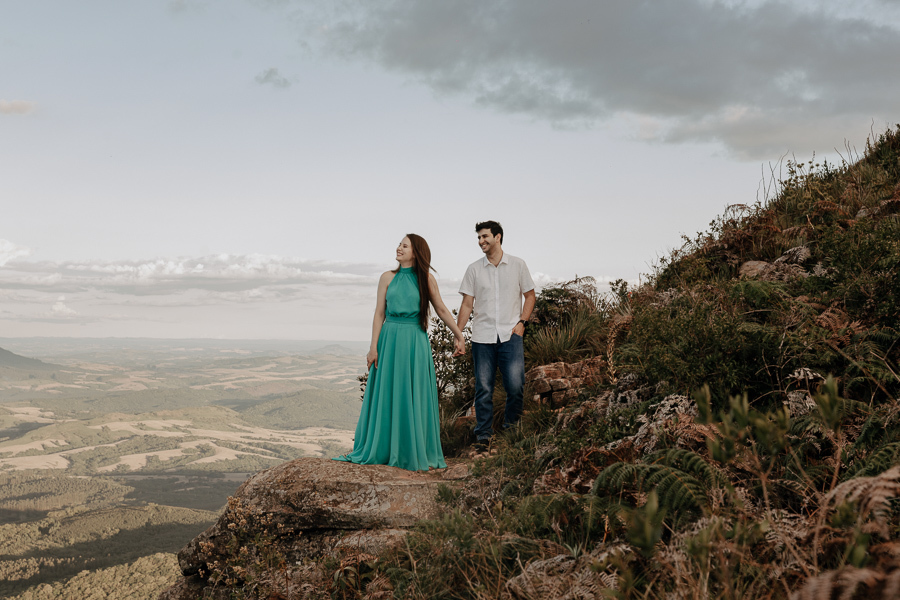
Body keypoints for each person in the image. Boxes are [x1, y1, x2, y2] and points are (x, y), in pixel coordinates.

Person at [335, 234, 466, 471]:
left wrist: (459, 334)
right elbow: (378, 314)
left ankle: (410, 449)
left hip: (415, 340)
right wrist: (373, 347)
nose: (399, 248)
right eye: (399, 244)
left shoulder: (427, 279)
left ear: (416, 252)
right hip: (389, 340)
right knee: (389, 392)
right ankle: (384, 448)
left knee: (411, 392)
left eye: (404, 246)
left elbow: (442, 309)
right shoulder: (387, 277)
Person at [457, 220, 535, 455]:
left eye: (485, 237)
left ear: (498, 237)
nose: (481, 241)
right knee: (483, 389)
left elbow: (530, 296)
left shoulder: (518, 265)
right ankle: (483, 436)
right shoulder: (473, 269)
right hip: (482, 337)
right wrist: (458, 333)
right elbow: (467, 304)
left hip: (511, 335)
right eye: (479, 238)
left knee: (515, 386)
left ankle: (511, 431)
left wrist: (522, 322)